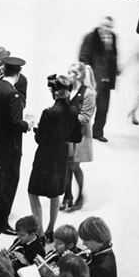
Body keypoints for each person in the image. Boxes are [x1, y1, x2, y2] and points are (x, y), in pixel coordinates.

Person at [27, 74, 81, 241]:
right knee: (54, 194)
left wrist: (37, 130)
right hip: (61, 156)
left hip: (45, 157)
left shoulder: (49, 113)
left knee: (33, 192)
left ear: (55, 93)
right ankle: (51, 229)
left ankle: (40, 231)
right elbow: (77, 137)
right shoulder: (73, 111)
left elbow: (40, 139)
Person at [0, 56, 30, 214]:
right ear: (18, 75)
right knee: (9, 182)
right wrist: (28, 125)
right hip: (10, 147)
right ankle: (2, 217)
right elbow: (16, 123)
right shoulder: (14, 95)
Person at [62, 61, 96, 211]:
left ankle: (80, 195)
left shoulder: (89, 93)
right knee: (66, 166)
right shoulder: (67, 89)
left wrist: (64, 116)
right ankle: (67, 195)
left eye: (71, 73)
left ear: (79, 75)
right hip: (67, 134)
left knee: (74, 165)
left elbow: (86, 117)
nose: (68, 75)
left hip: (80, 135)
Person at [79, 17, 119, 142]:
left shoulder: (112, 38)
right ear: (100, 25)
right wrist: (87, 73)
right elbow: (83, 57)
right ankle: (78, 131)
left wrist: (115, 71)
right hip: (92, 80)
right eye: (104, 26)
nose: (106, 29)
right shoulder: (90, 37)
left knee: (103, 108)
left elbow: (113, 57)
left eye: (109, 27)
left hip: (106, 81)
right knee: (86, 107)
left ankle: (97, 132)